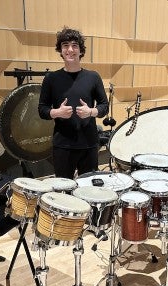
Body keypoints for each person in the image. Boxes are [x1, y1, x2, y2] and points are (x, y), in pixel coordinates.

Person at [38, 27, 109, 179]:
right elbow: (42, 109)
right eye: (65, 45)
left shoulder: (93, 77)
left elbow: (104, 106)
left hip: (89, 144)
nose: (70, 49)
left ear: (81, 51)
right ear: (60, 50)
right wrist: (56, 112)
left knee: (89, 190)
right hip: (63, 145)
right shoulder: (51, 78)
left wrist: (91, 112)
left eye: (75, 45)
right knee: (64, 193)